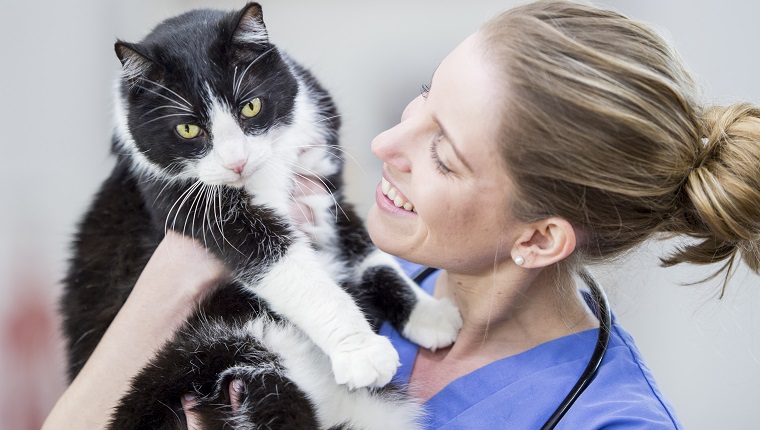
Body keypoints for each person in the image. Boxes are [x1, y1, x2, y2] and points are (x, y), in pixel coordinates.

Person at [44, 0, 760, 428]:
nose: (386, 143)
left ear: (540, 237)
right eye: (425, 95)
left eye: (444, 155)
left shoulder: (609, 419)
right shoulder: (368, 279)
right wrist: (177, 275)